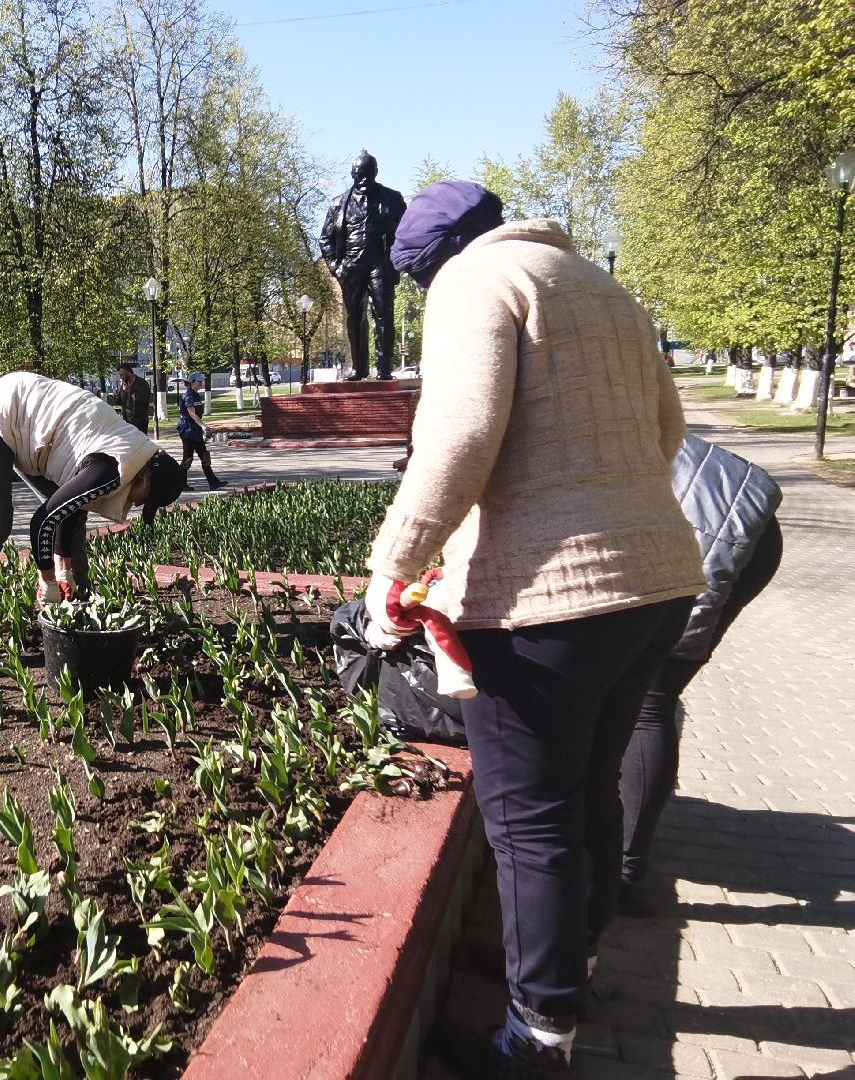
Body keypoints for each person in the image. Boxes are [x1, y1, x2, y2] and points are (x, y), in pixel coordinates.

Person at [365, 181, 705, 1077]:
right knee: (589, 786)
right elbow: (669, 428)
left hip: (547, 601)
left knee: (528, 823)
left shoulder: (474, 284)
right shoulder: (598, 283)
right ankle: (576, 965)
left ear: (430, 264)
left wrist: (394, 568)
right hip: (657, 580)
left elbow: (459, 435)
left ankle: (536, 1040)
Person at [619, 434, 782, 915]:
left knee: (648, 700)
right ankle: (623, 858)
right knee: (647, 698)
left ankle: (622, 876)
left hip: (700, 522)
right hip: (730, 504)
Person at [0, 371, 186, 669]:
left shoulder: (134, 453)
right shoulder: (113, 465)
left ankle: (78, 613)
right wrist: (47, 580)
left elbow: (70, 509)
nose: (137, 504)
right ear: (147, 478)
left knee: (74, 510)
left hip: (33, 429)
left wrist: (65, 570)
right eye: (144, 499)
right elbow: (43, 521)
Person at [319, 150, 406, 380]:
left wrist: (391, 229)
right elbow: (325, 239)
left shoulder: (392, 199)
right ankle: (359, 368)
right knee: (354, 318)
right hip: (350, 267)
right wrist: (337, 268)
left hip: (380, 265)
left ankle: (384, 369)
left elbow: (407, 232)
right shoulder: (338, 203)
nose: (364, 179)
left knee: (384, 316)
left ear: (376, 172)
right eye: (360, 175)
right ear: (352, 175)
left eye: (368, 174)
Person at [176, 372, 225, 491]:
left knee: (203, 455)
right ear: (192, 382)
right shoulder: (189, 395)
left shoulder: (195, 394)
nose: (201, 383)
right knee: (188, 458)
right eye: (199, 381)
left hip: (194, 429)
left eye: (201, 381)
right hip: (187, 429)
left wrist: (201, 426)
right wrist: (203, 426)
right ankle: (180, 484)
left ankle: (213, 482)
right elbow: (192, 414)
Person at [114, 363, 151, 434]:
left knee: (139, 443)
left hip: (139, 421)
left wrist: (130, 391)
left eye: (122, 375)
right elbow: (120, 402)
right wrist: (114, 397)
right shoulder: (124, 385)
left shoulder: (141, 383)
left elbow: (141, 400)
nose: (120, 377)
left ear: (128, 373)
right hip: (126, 421)